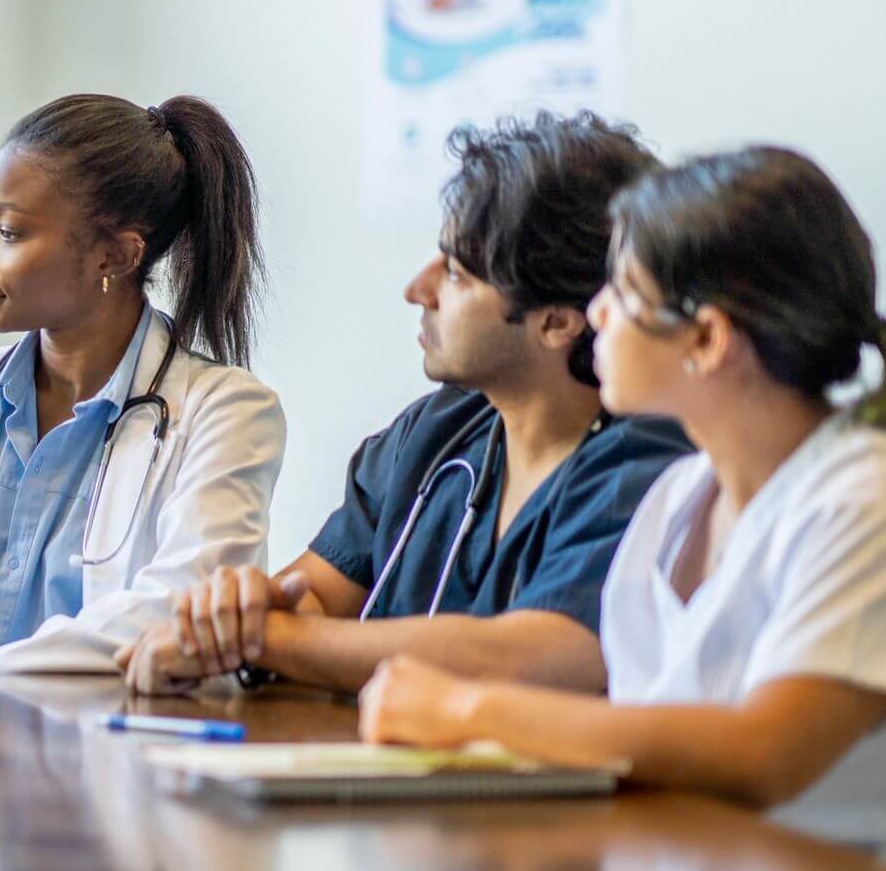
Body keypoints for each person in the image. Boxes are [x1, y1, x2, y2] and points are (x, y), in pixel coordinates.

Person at [362, 148, 886, 843]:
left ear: (704, 338)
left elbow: (760, 754)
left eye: (625, 293)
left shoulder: (858, 501)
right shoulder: (676, 498)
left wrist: (467, 709)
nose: (597, 311)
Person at [121, 112, 692, 695]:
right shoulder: (438, 428)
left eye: (457, 273)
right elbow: (316, 595)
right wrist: (240, 613)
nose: (417, 290)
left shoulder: (648, 461)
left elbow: (548, 653)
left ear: (554, 322)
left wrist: (267, 640)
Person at [0, 94, 286, 673]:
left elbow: (176, 619)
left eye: (9, 232)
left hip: (102, 758)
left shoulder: (226, 415)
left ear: (115, 254)